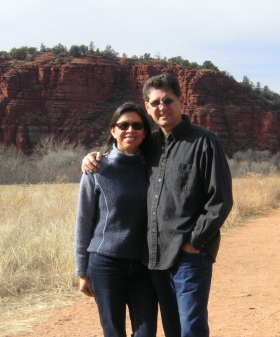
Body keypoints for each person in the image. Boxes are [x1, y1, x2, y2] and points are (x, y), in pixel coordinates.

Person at [82, 74, 233, 337]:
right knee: (173, 328)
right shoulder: (148, 142)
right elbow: (120, 150)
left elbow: (220, 201)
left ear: (180, 102)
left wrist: (194, 243)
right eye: (155, 102)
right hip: (154, 258)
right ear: (148, 106)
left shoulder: (204, 142)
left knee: (191, 328)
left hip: (189, 256)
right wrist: (93, 157)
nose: (162, 106)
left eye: (168, 100)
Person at [75, 102, 158, 337]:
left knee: (146, 332)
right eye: (123, 125)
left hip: (143, 264)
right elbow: (84, 221)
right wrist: (82, 272)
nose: (130, 130)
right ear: (113, 130)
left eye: (137, 125)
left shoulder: (155, 167)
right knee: (113, 332)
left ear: (145, 131)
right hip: (105, 263)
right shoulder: (96, 169)